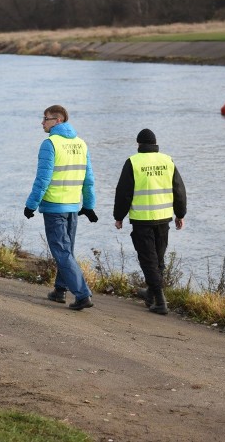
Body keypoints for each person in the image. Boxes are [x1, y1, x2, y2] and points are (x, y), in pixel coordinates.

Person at [24, 105, 97, 310]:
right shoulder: (81, 144)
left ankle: (82, 294)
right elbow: (89, 179)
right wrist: (89, 205)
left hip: (55, 207)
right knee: (67, 251)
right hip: (72, 207)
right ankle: (59, 290)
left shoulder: (50, 144)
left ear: (57, 121)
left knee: (62, 251)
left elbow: (43, 179)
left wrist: (31, 204)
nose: (42, 122)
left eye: (45, 119)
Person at [113, 129, 186, 316]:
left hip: (142, 219)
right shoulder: (167, 161)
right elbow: (178, 189)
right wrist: (180, 214)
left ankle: (160, 301)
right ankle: (151, 294)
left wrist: (119, 216)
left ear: (139, 144)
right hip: (163, 218)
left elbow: (124, 193)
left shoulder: (133, 162)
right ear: (155, 143)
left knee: (148, 261)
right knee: (158, 259)